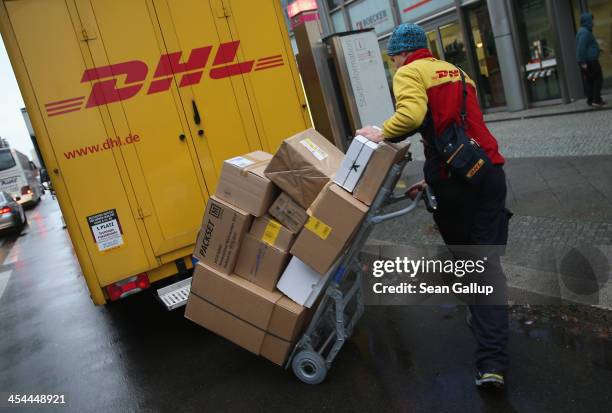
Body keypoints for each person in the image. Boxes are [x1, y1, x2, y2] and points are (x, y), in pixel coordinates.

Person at [357, 23, 510, 390]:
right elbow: (464, 128)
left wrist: (379, 133)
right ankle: (487, 324)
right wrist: (432, 181)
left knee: (471, 265)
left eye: (393, 57)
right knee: (485, 261)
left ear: (402, 53)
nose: (394, 64)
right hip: (488, 171)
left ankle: (491, 361)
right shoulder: (458, 73)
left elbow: (410, 117)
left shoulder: (410, 72)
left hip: (456, 183)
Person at [576, 12, 605, 107]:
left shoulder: (584, 31)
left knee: (590, 81)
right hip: (590, 61)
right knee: (597, 79)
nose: (593, 22)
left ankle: (591, 100)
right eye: (591, 20)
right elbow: (581, 48)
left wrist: (598, 49)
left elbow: (587, 47)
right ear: (587, 21)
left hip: (588, 60)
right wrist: (583, 62)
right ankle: (596, 100)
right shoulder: (584, 32)